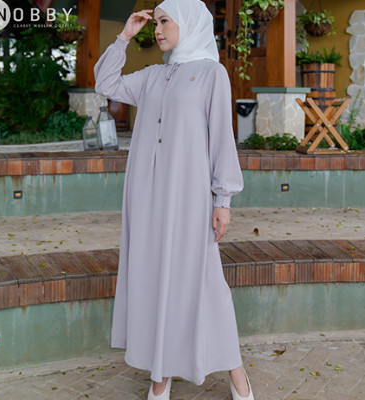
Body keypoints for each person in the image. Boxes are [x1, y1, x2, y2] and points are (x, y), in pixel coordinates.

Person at [94, 0, 254, 399]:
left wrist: (223, 200)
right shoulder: (152, 76)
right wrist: (123, 37)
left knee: (205, 283)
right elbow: (105, 84)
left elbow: (221, 138)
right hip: (146, 197)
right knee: (153, 278)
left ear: (189, 23)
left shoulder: (212, 74)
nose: (158, 29)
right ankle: (160, 376)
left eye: (166, 21)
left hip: (189, 196)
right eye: (157, 22)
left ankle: (237, 374)